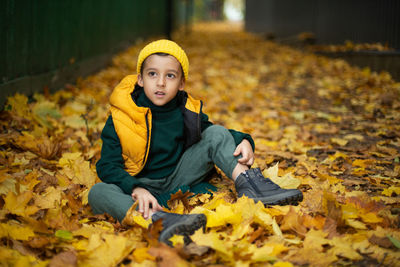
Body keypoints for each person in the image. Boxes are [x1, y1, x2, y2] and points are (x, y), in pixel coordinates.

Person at [88, 39, 303, 245]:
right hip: (139, 187)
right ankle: (157, 220)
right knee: (98, 192)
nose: (160, 82)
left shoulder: (185, 108)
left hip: (178, 176)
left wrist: (243, 140)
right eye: (152, 74)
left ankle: (250, 185)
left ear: (181, 83)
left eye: (170, 76)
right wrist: (135, 188)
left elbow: (210, 132)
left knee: (217, 133)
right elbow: (107, 166)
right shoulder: (121, 116)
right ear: (140, 79)